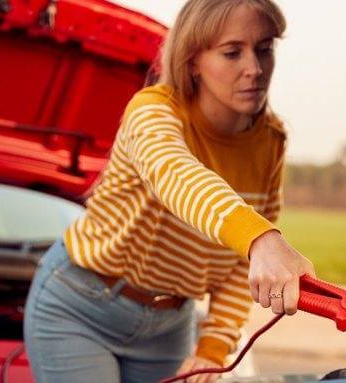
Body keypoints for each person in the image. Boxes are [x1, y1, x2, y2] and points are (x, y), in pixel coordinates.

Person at [22, 0, 316, 382]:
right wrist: (259, 237)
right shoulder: (152, 111)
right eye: (232, 53)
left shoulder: (270, 141)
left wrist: (213, 347)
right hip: (81, 308)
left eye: (264, 48)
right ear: (193, 60)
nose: (255, 69)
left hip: (170, 327)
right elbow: (175, 175)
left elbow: (237, 267)